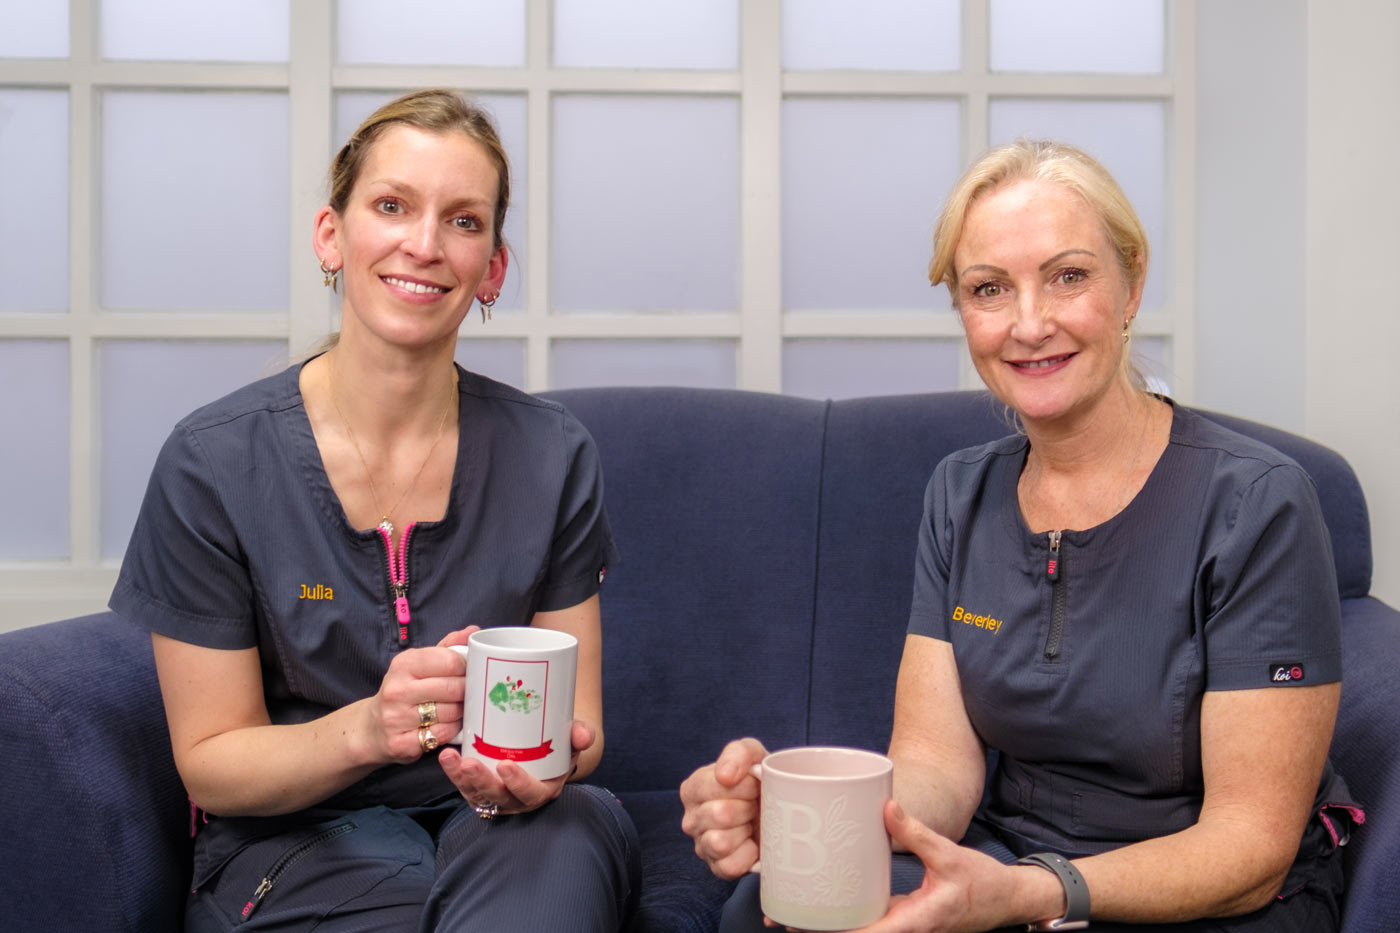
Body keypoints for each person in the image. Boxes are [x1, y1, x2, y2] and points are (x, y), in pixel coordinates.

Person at [680, 139, 1360, 932]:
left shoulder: (1254, 503)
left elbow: (1249, 847)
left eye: (1068, 276)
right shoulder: (960, 493)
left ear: (1133, 282)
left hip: (1197, 892)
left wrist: (1035, 891)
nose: (1029, 323)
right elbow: (938, 766)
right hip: (1010, 860)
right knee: (767, 912)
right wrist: (813, 819)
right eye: (989, 289)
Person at [110, 88, 639, 931]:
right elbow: (211, 763)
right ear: (333, 235)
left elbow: (582, 728)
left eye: (464, 221)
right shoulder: (212, 461)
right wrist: (370, 728)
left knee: (571, 830)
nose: (423, 245)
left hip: (510, 825)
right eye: (392, 206)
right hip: (299, 843)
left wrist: (548, 766)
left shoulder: (555, 453)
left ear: (493, 267)